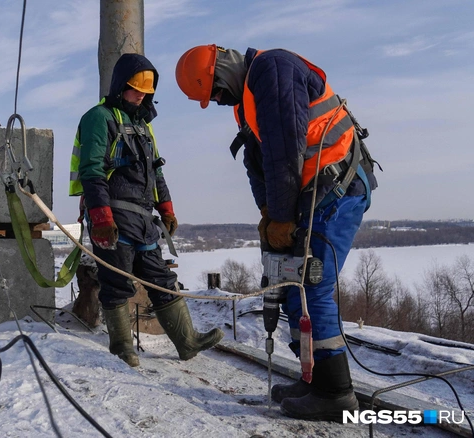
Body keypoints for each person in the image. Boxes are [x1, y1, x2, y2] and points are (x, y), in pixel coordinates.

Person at [175, 45, 378, 420]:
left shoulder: (273, 70)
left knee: (312, 286)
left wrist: (283, 218)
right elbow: (258, 163)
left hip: (337, 189)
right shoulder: (246, 100)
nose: (219, 101)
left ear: (222, 72)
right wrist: (269, 212)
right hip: (311, 195)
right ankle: (314, 378)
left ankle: (336, 393)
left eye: (216, 92)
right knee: (291, 286)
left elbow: (285, 152)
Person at [70, 53, 224, 367]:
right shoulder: (99, 118)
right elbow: (91, 170)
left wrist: (166, 209)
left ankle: (187, 341)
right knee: (116, 282)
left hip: (142, 217)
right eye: (135, 88)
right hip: (113, 214)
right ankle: (123, 349)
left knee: (161, 279)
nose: (141, 94)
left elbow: (156, 172)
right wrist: (100, 217)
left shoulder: (141, 125)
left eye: (146, 90)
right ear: (119, 85)